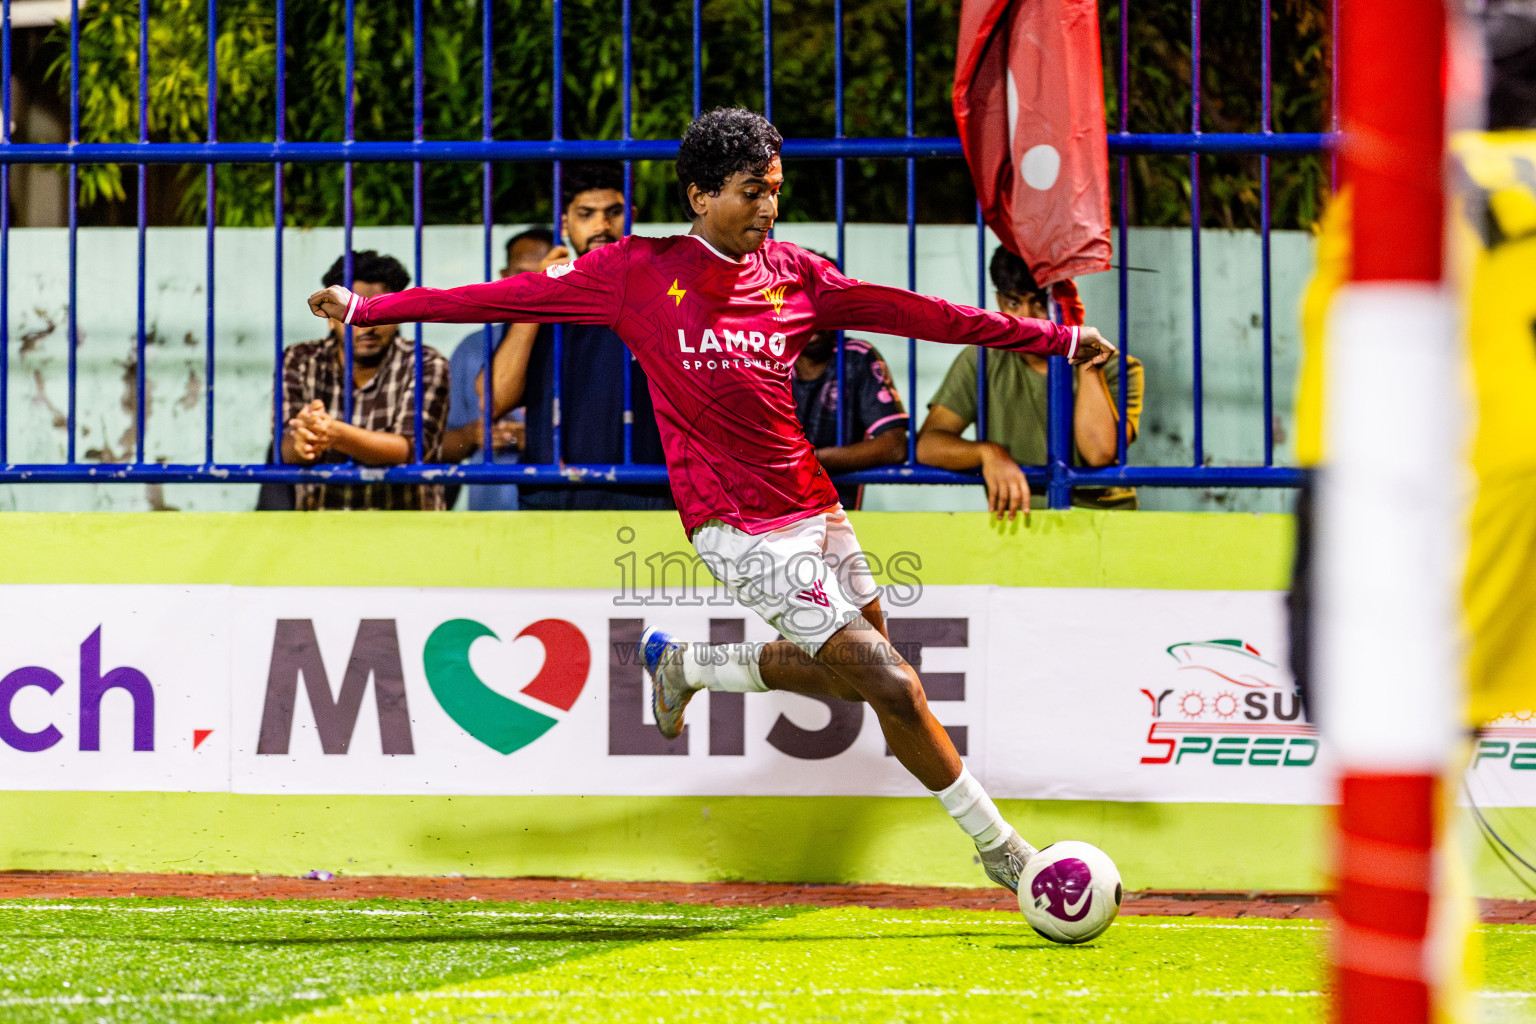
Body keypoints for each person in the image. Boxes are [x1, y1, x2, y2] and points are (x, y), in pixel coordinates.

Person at [308, 108, 1116, 892]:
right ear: (699, 195)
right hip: (737, 526)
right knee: (895, 685)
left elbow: (922, 316)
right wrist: (372, 307)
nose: (768, 207)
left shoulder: (798, 275)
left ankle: (690, 665)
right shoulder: (634, 273)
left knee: (856, 678)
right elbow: (500, 298)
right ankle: (1005, 853)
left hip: (815, 505)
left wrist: (1057, 338)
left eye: (774, 188)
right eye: (750, 191)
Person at [480, 163, 672, 510]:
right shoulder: (544, 295)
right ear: (565, 222)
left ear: (631, 216)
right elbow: (493, 400)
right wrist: (537, 297)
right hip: (553, 497)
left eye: (613, 213)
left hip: (647, 493)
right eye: (587, 214)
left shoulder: (663, 289)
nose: (601, 226)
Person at [916, 246, 1143, 516]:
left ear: (1062, 300)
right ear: (999, 301)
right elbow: (927, 446)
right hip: (1019, 525)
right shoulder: (982, 359)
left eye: (1039, 303)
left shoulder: (1119, 367)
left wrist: (1086, 360)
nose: (1026, 318)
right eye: (1014, 303)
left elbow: (1098, 453)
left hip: (1106, 527)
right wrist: (987, 454)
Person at [282, 250, 450, 511]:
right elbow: (286, 447)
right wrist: (303, 440)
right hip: (324, 528)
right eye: (354, 312)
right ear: (330, 318)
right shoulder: (301, 359)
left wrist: (333, 433)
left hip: (406, 529)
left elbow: (410, 450)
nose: (368, 325)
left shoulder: (426, 363)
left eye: (380, 310)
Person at [439, 227, 554, 510]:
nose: (535, 285)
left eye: (544, 275)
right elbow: (436, 447)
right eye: (524, 275)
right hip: (490, 520)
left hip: (564, 514)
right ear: (504, 277)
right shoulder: (472, 349)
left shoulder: (585, 343)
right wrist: (472, 436)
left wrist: (541, 438)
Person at [791, 251, 909, 510]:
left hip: (836, 519)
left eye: (823, 299)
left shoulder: (857, 357)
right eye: (799, 300)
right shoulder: (763, 359)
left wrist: (813, 460)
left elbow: (895, 445)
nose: (812, 313)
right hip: (764, 521)